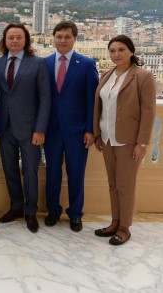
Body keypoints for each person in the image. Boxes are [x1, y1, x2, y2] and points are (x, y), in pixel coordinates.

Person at [93, 35, 156, 246]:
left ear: (130, 51)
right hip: (108, 137)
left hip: (129, 140)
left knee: (125, 185)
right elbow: (101, 108)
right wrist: (98, 134)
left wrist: (142, 143)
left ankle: (124, 228)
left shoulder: (143, 76)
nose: (116, 54)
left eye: (121, 50)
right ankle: (114, 222)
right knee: (113, 184)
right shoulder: (107, 75)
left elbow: (148, 112)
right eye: (112, 51)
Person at [0, 23, 51, 233]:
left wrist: (40, 129)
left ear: (25, 40)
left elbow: (45, 99)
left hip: (30, 129)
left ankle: (31, 211)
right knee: (9, 170)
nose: (15, 41)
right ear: (5, 41)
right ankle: (15, 207)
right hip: (4, 126)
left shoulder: (38, 64)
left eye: (19, 37)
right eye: (11, 38)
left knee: (30, 172)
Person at [44, 20, 99, 232]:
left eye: (67, 37)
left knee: (76, 174)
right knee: (52, 174)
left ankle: (76, 214)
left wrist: (90, 130)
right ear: (54, 39)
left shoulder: (86, 64)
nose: (63, 40)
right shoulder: (45, 63)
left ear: (75, 38)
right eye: (59, 37)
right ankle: (53, 211)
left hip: (77, 132)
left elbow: (91, 101)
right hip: (51, 131)